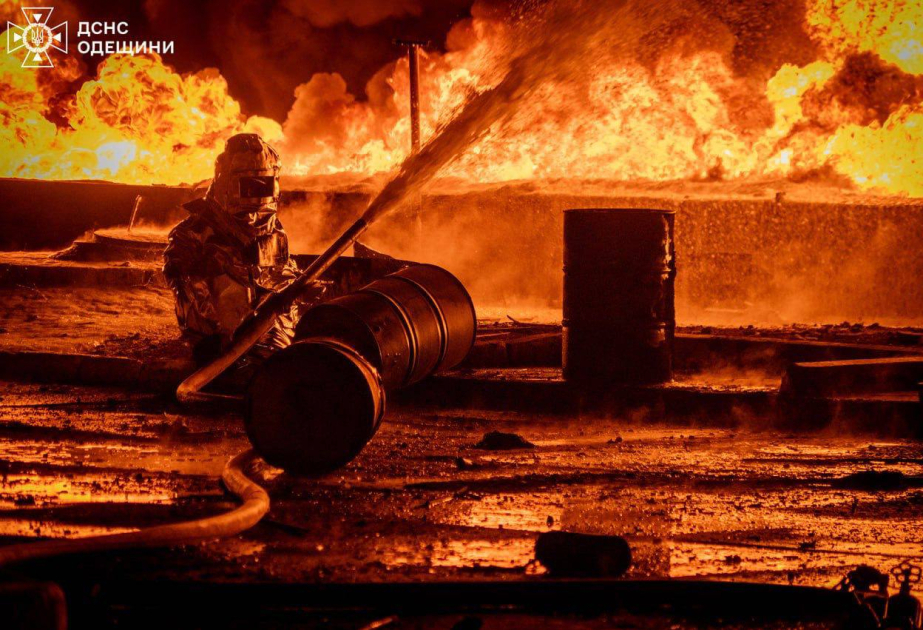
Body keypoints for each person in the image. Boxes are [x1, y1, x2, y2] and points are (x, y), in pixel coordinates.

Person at [163, 133, 317, 364]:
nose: (256, 195)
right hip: (215, 336)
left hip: (268, 328)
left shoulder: (271, 229)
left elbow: (277, 272)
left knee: (284, 366)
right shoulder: (194, 231)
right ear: (227, 183)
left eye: (263, 184)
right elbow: (183, 281)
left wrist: (299, 288)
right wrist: (217, 333)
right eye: (249, 185)